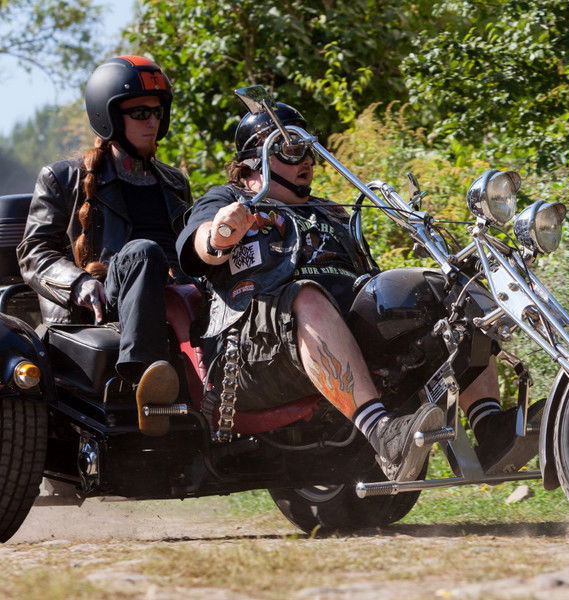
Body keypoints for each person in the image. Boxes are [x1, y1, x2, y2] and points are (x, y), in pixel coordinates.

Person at [176, 102, 543, 479]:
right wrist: (223, 232)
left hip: (338, 334)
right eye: (291, 148)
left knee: (449, 295)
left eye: (309, 148)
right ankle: (383, 435)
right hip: (252, 352)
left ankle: (490, 427)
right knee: (306, 294)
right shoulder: (227, 201)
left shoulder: (328, 211)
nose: (307, 159)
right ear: (254, 161)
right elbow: (200, 248)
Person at [17, 55, 191, 434]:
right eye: (140, 113)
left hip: (173, 298)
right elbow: (34, 253)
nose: (152, 122)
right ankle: (143, 377)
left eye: (157, 112)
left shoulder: (174, 182)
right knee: (144, 251)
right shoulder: (64, 178)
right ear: (109, 117)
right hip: (104, 302)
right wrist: (78, 282)